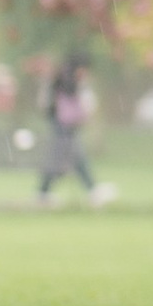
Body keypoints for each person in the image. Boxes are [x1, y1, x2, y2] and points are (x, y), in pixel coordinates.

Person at [37, 55, 106, 204]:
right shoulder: (69, 81)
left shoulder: (61, 78)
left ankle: (44, 192)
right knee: (66, 159)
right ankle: (44, 192)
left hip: (63, 125)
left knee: (69, 158)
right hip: (64, 126)